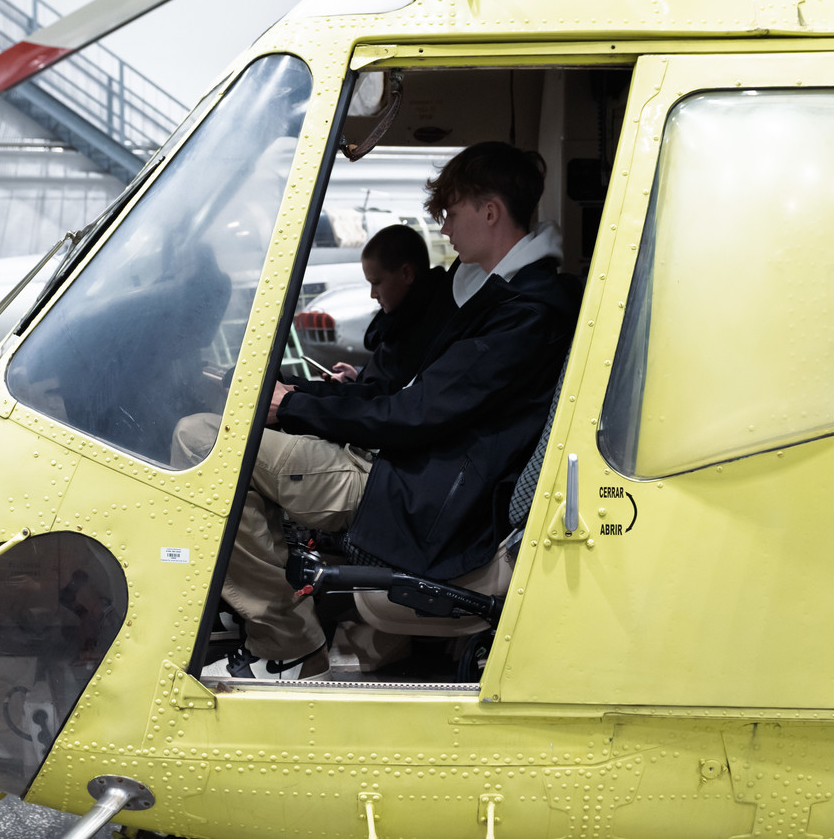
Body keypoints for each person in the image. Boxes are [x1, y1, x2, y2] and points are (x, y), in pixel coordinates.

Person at [186, 141, 578, 680]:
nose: (444, 229)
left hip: (415, 494)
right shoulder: (491, 297)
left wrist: (293, 407)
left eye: (451, 212)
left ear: (489, 212)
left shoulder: (522, 314)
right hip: (407, 469)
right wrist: (301, 397)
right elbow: (401, 395)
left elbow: (413, 413)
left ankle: (288, 643)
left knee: (200, 439)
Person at [293, 222, 454, 396]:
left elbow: (383, 396)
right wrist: (359, 375)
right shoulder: (412, 317)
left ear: (407, 274)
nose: (373, 294)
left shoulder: (415, 330)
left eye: (376, 283)